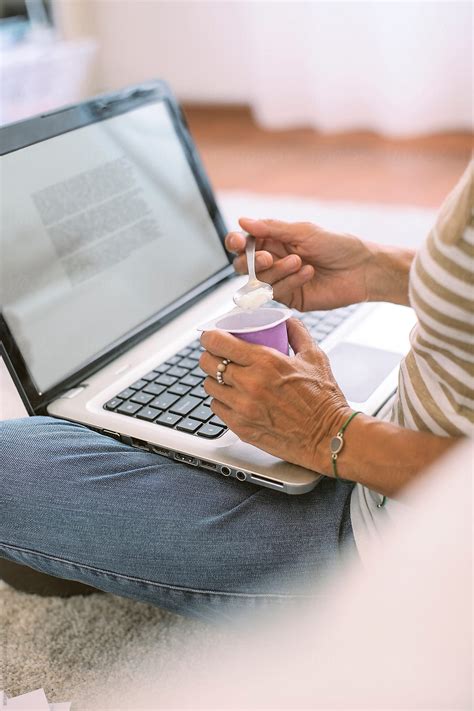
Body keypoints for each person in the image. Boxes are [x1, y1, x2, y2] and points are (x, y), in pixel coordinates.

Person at [1, 163, 472, 620]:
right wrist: (379, 270)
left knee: (12, 464)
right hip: (396, 427)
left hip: (400, 544)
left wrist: (330, 432)